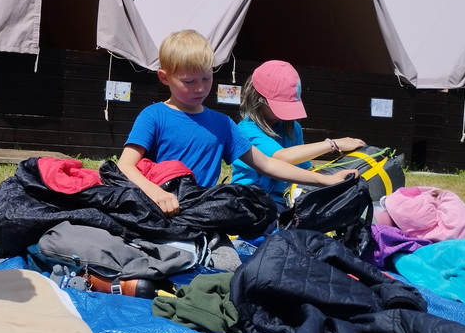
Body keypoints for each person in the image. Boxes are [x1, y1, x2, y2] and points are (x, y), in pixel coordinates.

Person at [116, 30, 355, 221]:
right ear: (164, 77)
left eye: (206, 78)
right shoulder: (154, 116)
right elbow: (125, 165)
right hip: (157, 212)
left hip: (201, 216)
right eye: (189, 81)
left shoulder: (222, 124)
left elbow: (268, 164)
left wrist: (326, 180)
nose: (200, 88)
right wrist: (155, 192)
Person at [231, 60, 365, 207]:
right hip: (251, 200)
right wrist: (332, 144)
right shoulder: (246, 130)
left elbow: (304, 168)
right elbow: (282, 157)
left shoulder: (293, 128)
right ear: (257, 98)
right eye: (278, 106)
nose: (283, 114)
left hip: (283, 199)